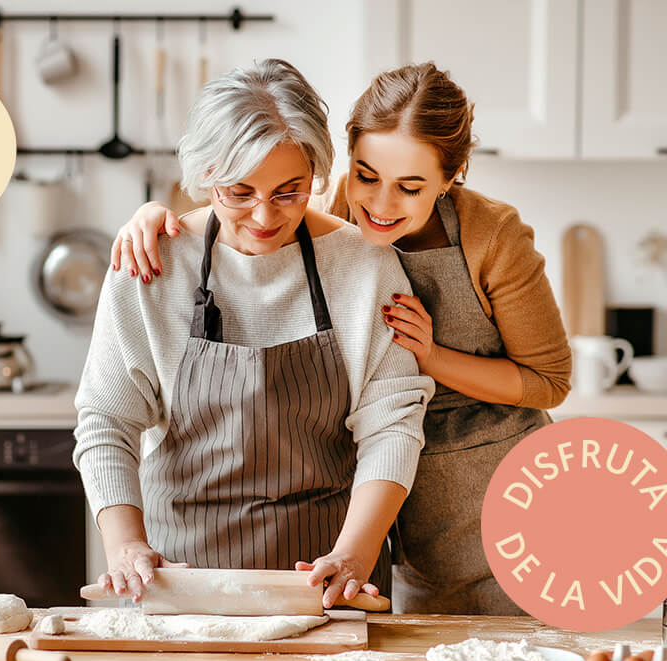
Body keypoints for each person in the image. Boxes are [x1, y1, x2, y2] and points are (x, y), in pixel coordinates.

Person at [106, 62, 572, 615]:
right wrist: (156, 216)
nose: (378, 204)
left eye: (411, 187)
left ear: (453, 177)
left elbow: (547, 382)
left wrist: (430, 356)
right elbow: (257, 205)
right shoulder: (323, 216)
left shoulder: (482, 238)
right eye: (367, 176)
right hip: (394, 513)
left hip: (494, 497)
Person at [73, 59, 433, 610]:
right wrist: (125, 547)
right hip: (178, 584)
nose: (265, 216)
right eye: (239, 193)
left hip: (327, 584)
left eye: (290, 192)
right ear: (205, 175)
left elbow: (392, 424)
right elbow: (106, 421)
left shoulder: (364, 267)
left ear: (316, 172)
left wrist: (355, 555)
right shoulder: (151, 264)